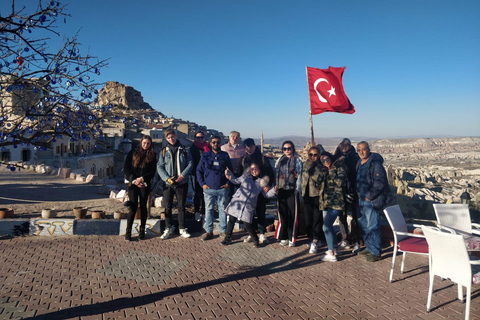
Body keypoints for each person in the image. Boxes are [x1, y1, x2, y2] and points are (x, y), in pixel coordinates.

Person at [222, 163, 275, 247]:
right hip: (238, 202)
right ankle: (227, 238)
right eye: (252, 169)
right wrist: (229, 174)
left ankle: (255, 240)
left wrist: (274, 190)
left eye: (255, 169)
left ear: (259, 170)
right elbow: (235, 180)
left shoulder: (261, 182)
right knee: (231, 220)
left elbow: (266, 195)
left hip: (248, 206)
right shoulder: (245, 177)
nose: (253, 171)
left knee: (248, 224)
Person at [355, 141, 392, 262]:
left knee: (373, 225)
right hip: (361, 199)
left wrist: (369, 196)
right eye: (358, 150)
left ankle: (376, 251)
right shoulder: (359, 163)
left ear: (369, 149)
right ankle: (369, 247)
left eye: (363, 149)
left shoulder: (375, 163)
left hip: (371, 201)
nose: (361, 152)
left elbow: (380, 182)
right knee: (364, 225)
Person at [235, 138, 275, 244]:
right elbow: (238, 173)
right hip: (248, 193)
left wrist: (268, 184)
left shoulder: (262, 159)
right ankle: (251, 234)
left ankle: (262, 233)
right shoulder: (243, 159)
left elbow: (270, 173)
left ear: (254, 146)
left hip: (260, 191)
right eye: (246, 147)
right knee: (249, 214)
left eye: (250, 146)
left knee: (261, 212)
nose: (248, 149)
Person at [157, 128, 193, 239]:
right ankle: (168, 228)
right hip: (168, 184)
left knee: (181, 206)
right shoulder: (163, 151)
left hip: (182, 182)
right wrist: (167, 178)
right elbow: (160, 166)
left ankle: (182, 228)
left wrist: (182, 176)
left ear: (175, 136)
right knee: (168, 207)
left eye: (172, 137)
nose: (171, 139)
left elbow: (190, 163)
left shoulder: (184, 149)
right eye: (168, 137)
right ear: (166, 138)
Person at [196, 136, 232, 241]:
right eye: (214, 142)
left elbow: (230, 170)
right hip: (208, 189)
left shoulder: (224, 155)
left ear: (220, 143)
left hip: (222, 189)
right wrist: (202, 184)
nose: (216, 144)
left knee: (222, 210)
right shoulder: (205, 156)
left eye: (218, 142)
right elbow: (199, 170)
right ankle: (209, 231)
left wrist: (228, 183)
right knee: (209, 210)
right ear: (210, 143)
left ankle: (223, 231)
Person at [123, 135, 157, 241]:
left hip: (144, 184)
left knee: (143, 207)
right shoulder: (133, 153)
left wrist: (141, 179)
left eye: (148, 143)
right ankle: (128, 231)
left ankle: (142, 231)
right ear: (141, 143)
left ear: (150, 144)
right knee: (133, 208)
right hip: (133, 184)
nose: (146, 145)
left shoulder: (152, 155)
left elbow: (152, 171)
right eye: (144, 143)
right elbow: (126, 168)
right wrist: (134, 180)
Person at [317, 151, 347, 262]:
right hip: (325, 202)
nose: (325, 162)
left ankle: (331, 253)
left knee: (326, 226)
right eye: (323, 160)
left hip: (336, 202)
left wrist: (332, 171)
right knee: (328, 227)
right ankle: (335, 247)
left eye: (327, 159)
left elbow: (340, 182)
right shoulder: (323, 170)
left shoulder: (339, 168)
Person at [333, 138, 361, 253]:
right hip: (340, 191)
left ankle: (356, 241)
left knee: (355, 217)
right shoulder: (336, 156)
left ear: (350, 146)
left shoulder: (355, 157)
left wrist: (355, 190)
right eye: (342, 145)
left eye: (346, 145)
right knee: (341, 216)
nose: (344, 147)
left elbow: (358, 174)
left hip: (353, 190)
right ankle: (345, 239)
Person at [274, 140, 302, 247]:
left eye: (289, 148)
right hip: (281, 190)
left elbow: (299, 177)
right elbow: (275, 174)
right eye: (285, 149)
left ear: (293, 149)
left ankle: (292, 238)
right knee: (283, 214)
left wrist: (297, 190)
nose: (287, 150)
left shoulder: (297, 161)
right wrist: (276, 186)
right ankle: (284, 236)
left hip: (291, 191)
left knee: (292, 215)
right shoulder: (279, 160)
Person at [301, 146, 325, 254]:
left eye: (315, 155)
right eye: (311, 154)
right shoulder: (305, 165)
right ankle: (311, 238)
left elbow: (320, 180)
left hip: (316, 195)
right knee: (308, 219)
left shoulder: (321, 167)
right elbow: (302, 178)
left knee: (317, 219)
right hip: (306, 195)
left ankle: (315, 240)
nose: (313, 157)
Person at [190, 131, 209, 221]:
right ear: (195, 138)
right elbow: (191, 163)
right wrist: (197, 176)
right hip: (197, 175)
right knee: (197, 194)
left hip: (207, 175)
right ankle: (197, 212)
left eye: (202, 137)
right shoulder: (192, 148)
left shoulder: (208, 147)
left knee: (206, 194)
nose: (200, 139)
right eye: (198, 138)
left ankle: (204, 212)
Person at [221, 131, 246, 200]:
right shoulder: (223, 148)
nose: (235, 138)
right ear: (229, 137)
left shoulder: (242, 149)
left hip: (239, 175)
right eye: (233, 136)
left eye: (237, 137)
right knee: (227, 196)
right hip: (227, 175)